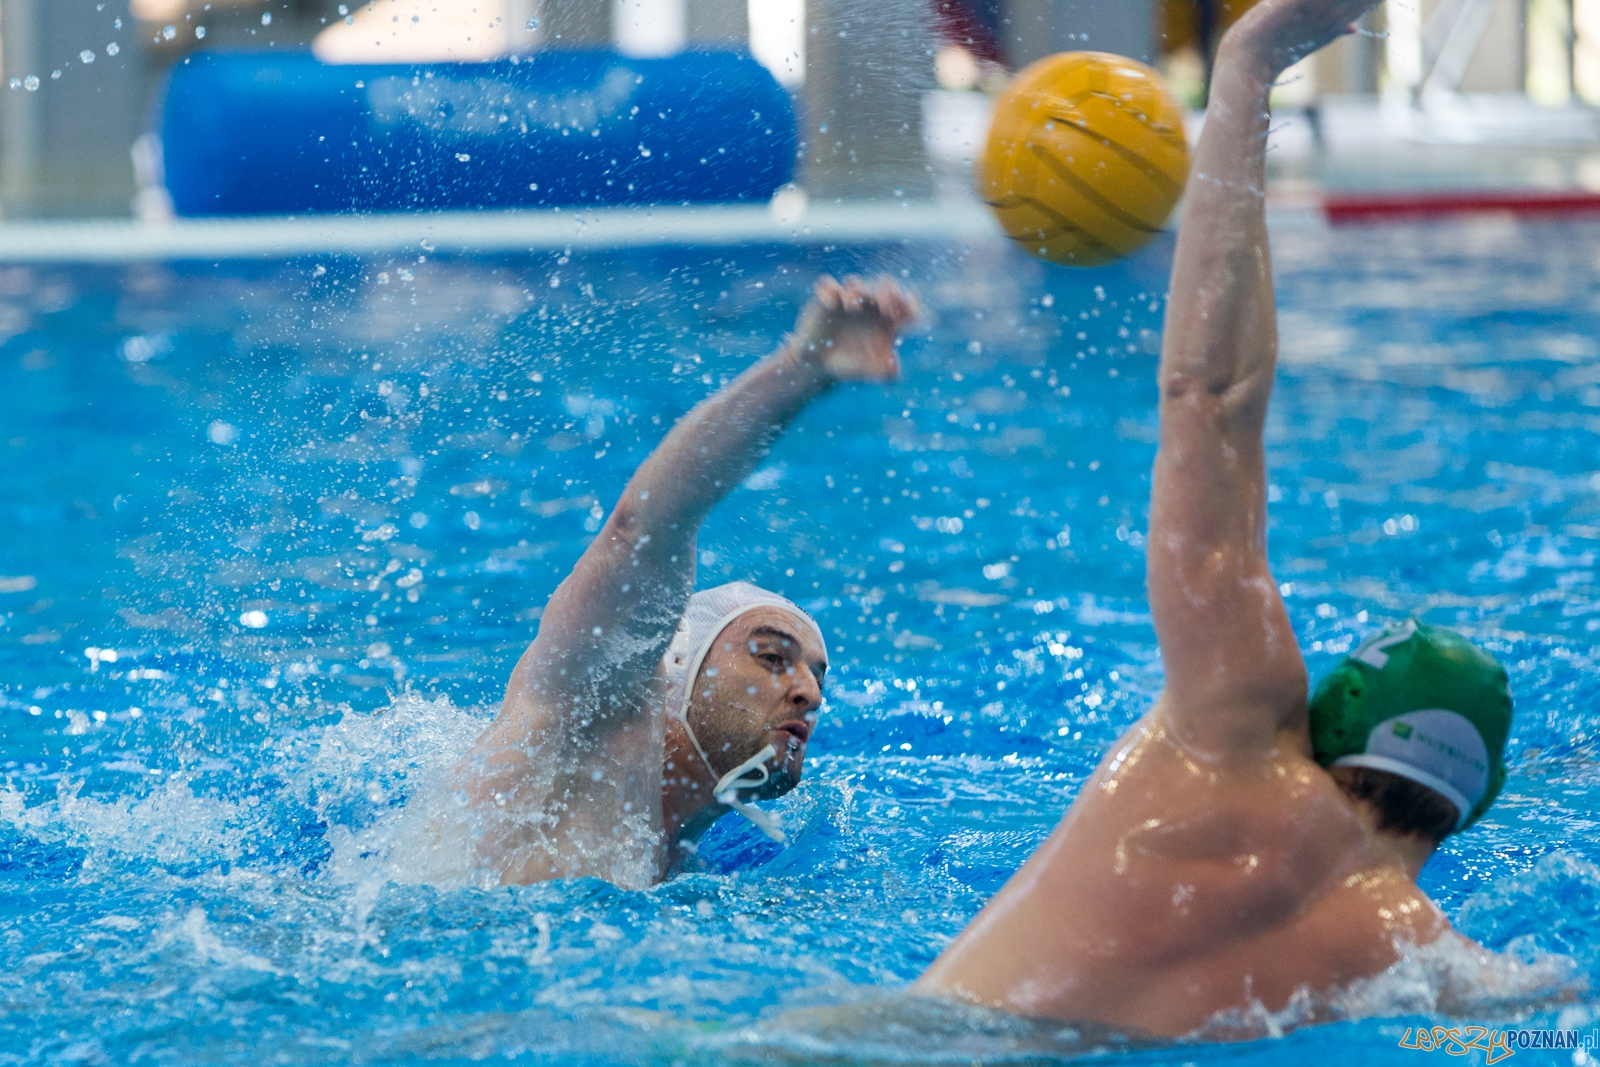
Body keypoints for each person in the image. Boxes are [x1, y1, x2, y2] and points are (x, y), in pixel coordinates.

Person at [915, 0, 1516, 1037]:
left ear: (1336, 713)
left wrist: (1245, 69)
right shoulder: (1434, 964)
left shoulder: (1235, 729)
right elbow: (1549, 1028)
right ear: (1477, 797)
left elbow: (1209, 398)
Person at [445, 275, 918, 889]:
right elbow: (646, 524)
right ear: (673, 667)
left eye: (817, 675)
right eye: (772, 657)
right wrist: (803, 371)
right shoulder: (582, 724)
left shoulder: (679, 863)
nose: (810, 695)